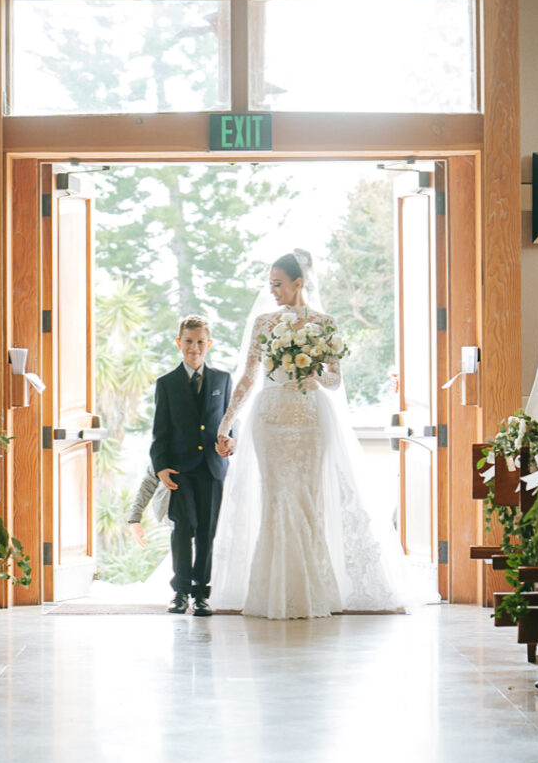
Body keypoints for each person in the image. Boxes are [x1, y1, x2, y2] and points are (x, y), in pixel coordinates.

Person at [211, 248, 420, 620]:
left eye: (278, 284)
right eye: (270, 285)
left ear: (298, 283)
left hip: (308, 418)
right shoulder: (263, 322)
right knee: (277, 497)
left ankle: (312, 591)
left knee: (307, 498)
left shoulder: (325, 323)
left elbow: (334, 380)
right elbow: (247, 377)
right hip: (271, 416)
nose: (273, 291)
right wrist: (226, 424)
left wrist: (312, 373)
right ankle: (273, 591)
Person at [150, 314, 234, 616]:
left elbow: (228, 423)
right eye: (188, 342)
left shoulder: (223, 380)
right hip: (180, 471)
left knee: (208, 532)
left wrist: (230, 443)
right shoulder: (167, 384)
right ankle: (181, 592)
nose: (194, 348)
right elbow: (159, 433)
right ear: (178, 343)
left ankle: (202, 594)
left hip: (212, 469)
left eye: (200, 342)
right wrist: (161, 468)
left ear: (208, 344)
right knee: (183, 530)